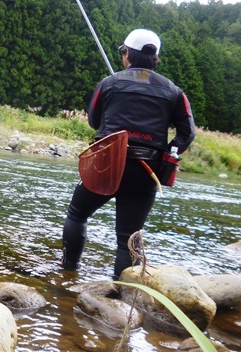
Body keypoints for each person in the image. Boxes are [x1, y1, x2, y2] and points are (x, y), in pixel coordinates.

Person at [62, 28, 197, 278]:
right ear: (154, 58)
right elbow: (187, 133)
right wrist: (169, 153)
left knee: (77, 214)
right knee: (128, 236)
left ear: (127, 54)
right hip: (146, 170)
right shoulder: (174, 91)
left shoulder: (109, 83)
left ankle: (68, 271)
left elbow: (94, 121)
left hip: (106, 165)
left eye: (123, 51)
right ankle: (124, 293)